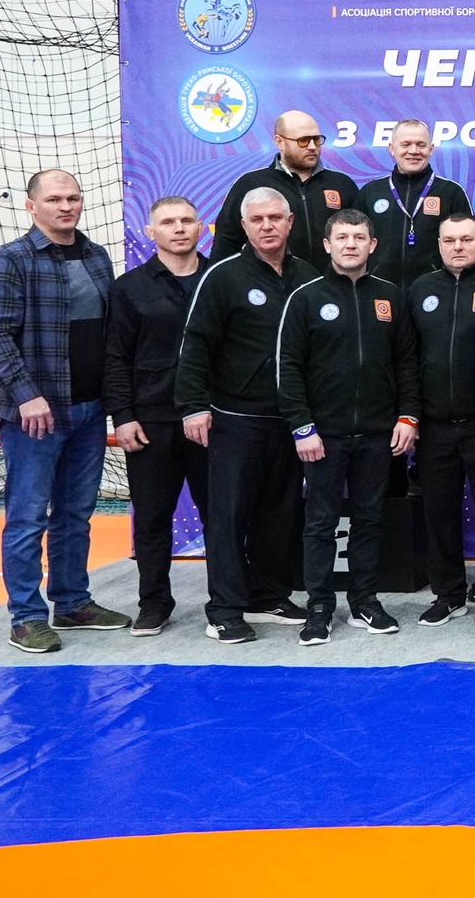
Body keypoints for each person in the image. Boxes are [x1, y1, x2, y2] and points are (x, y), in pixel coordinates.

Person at [0, 170, 125, 653]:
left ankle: (73, 602)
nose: (66, 206)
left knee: (76, 514)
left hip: (89, 411)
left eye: (73, 198)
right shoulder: (8, 262)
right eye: (55, 199)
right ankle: (26, 617)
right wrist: (27, 395)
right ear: (31, 206)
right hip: (34, 418)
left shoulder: (96, 256)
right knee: (26, 518)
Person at [177, 186, 323, 643]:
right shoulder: (222, 276)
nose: (267, 226)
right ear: (243, 226)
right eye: (257, 220)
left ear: (290, 222)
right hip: (235, 418)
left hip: (291, 420)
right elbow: (196, 344)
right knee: (229, 516)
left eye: (275, 218)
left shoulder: (309, 276)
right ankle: (224, 609)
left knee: (279, 514)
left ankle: (268, 595)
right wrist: (193, 405)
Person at [276, 209, 419, 645]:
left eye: (359, 237)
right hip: (323, 436)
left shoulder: (391, 297)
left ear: (372, 245)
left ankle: (364, 601)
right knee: (320, 522)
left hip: (378, 434)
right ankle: (319, 606)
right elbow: (288, 368)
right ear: (327, 245)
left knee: (369, 519)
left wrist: (408, 416)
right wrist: (302, 427)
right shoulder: (305, 298)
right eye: (342, 237)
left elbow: (407, 363)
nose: (351, 244)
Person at [104, 195, 210, 638]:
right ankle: (154, 604)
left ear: (201, 227)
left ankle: (227, 600)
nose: (179, 228)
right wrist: (123, 416)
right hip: (149, 424)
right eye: (168, 222)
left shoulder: (219, 280)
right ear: (151, 233)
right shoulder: (129, 288)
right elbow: (115, 357)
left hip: (211, 422)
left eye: (186, 220)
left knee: (221, 517)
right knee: (151, 519)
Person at [406, 213, 475, 628]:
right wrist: (411, 416)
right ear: (440, 244)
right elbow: (408, 359)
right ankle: (448, 594)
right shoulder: (420, 289)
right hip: (434, 425)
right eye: (449, 240)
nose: (458, 247)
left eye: (466, 239)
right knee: (439, 513)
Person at [212, 110, 360, 264]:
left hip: (331, 279)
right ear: (279, 142)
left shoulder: (342, 184)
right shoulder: (249, 184)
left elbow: (362, 239)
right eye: (303, 140)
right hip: (269, 279)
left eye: (316, 139)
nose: (312, 146)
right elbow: (225, 244)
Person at [353, 119, 471, 289]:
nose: (414, 151)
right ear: (392, 148)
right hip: (379, 290)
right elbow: (355, 241)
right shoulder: (371, 192)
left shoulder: (451, 192)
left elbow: (468, 244)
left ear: (431, 149)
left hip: (436, 290)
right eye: (406, 144)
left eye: (421, 145)